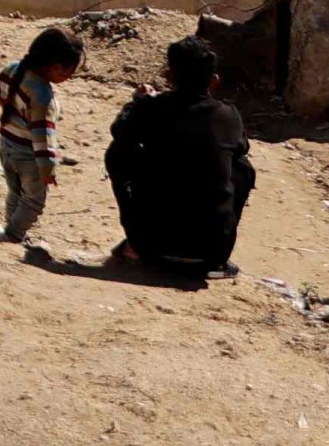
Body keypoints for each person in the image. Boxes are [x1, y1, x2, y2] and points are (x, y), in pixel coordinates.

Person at [104, 36, 256, 277]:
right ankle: (220, 240)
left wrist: (137, 103)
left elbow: (120, 132)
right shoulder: (228, 116)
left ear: (169, 75)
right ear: (214, 81)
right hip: (212, 253)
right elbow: (240, 148)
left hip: (151, 246)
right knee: (242, 167)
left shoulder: (152, 108)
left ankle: (134, 241)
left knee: (118, 153)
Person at [0, 26, 83, 244]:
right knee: (33, 200)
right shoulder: (43, 96)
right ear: (57, 68)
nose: (68, 78)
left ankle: (10, 228)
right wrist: (48, 168)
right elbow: (43, 137)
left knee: (15, 191)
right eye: (68, 73)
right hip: (28, 153)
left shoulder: (13, 68)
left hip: (6, 143)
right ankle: (13, 235)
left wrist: (15, 112)